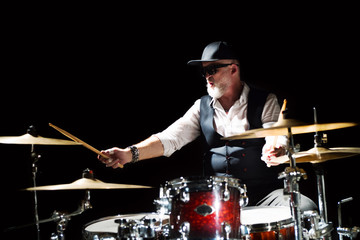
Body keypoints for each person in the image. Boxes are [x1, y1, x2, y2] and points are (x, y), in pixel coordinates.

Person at [98, 41, 317, 211]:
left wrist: (275, 149)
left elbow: (275, 134)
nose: (207, 76)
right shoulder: (201, 107)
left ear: (233, 69)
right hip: (218, 198)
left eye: (213, 69)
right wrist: (129, 154)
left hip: (265, 194)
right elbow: (170, 138)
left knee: (305, 208)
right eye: (204, 71)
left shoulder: (264, 100)